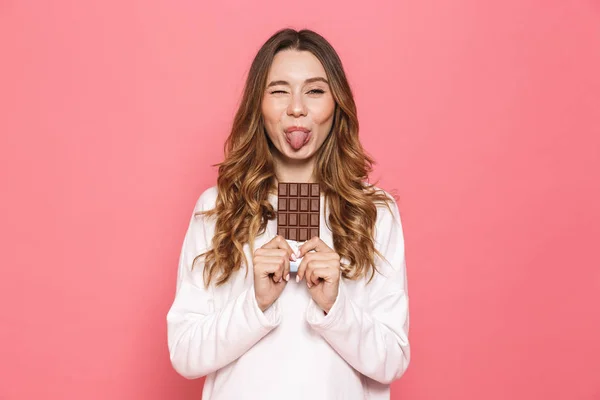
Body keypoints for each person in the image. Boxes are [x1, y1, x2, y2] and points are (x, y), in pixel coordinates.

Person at [167, 28, 410, 400]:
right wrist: (256, 303)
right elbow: (185, 353)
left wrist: (334, 306)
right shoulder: (218, 207)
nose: (296, 107)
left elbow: (393, 359)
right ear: (258, 106)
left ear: (336, 105)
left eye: (314, 91)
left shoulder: (373, 212)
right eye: (279, 91)